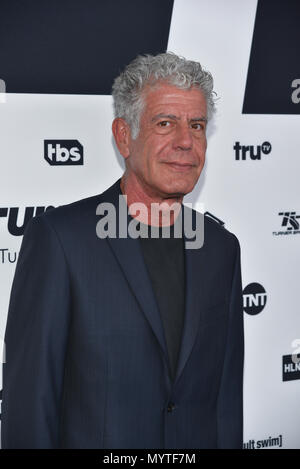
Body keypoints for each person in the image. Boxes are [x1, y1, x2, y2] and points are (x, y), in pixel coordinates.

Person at [1, 52, 244, 449]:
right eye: (166, 123)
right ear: (123, 136)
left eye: (196, 125)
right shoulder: (60, 241)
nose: (186, 141)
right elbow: (30, 405)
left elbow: (226, 403)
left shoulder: (222, 249)